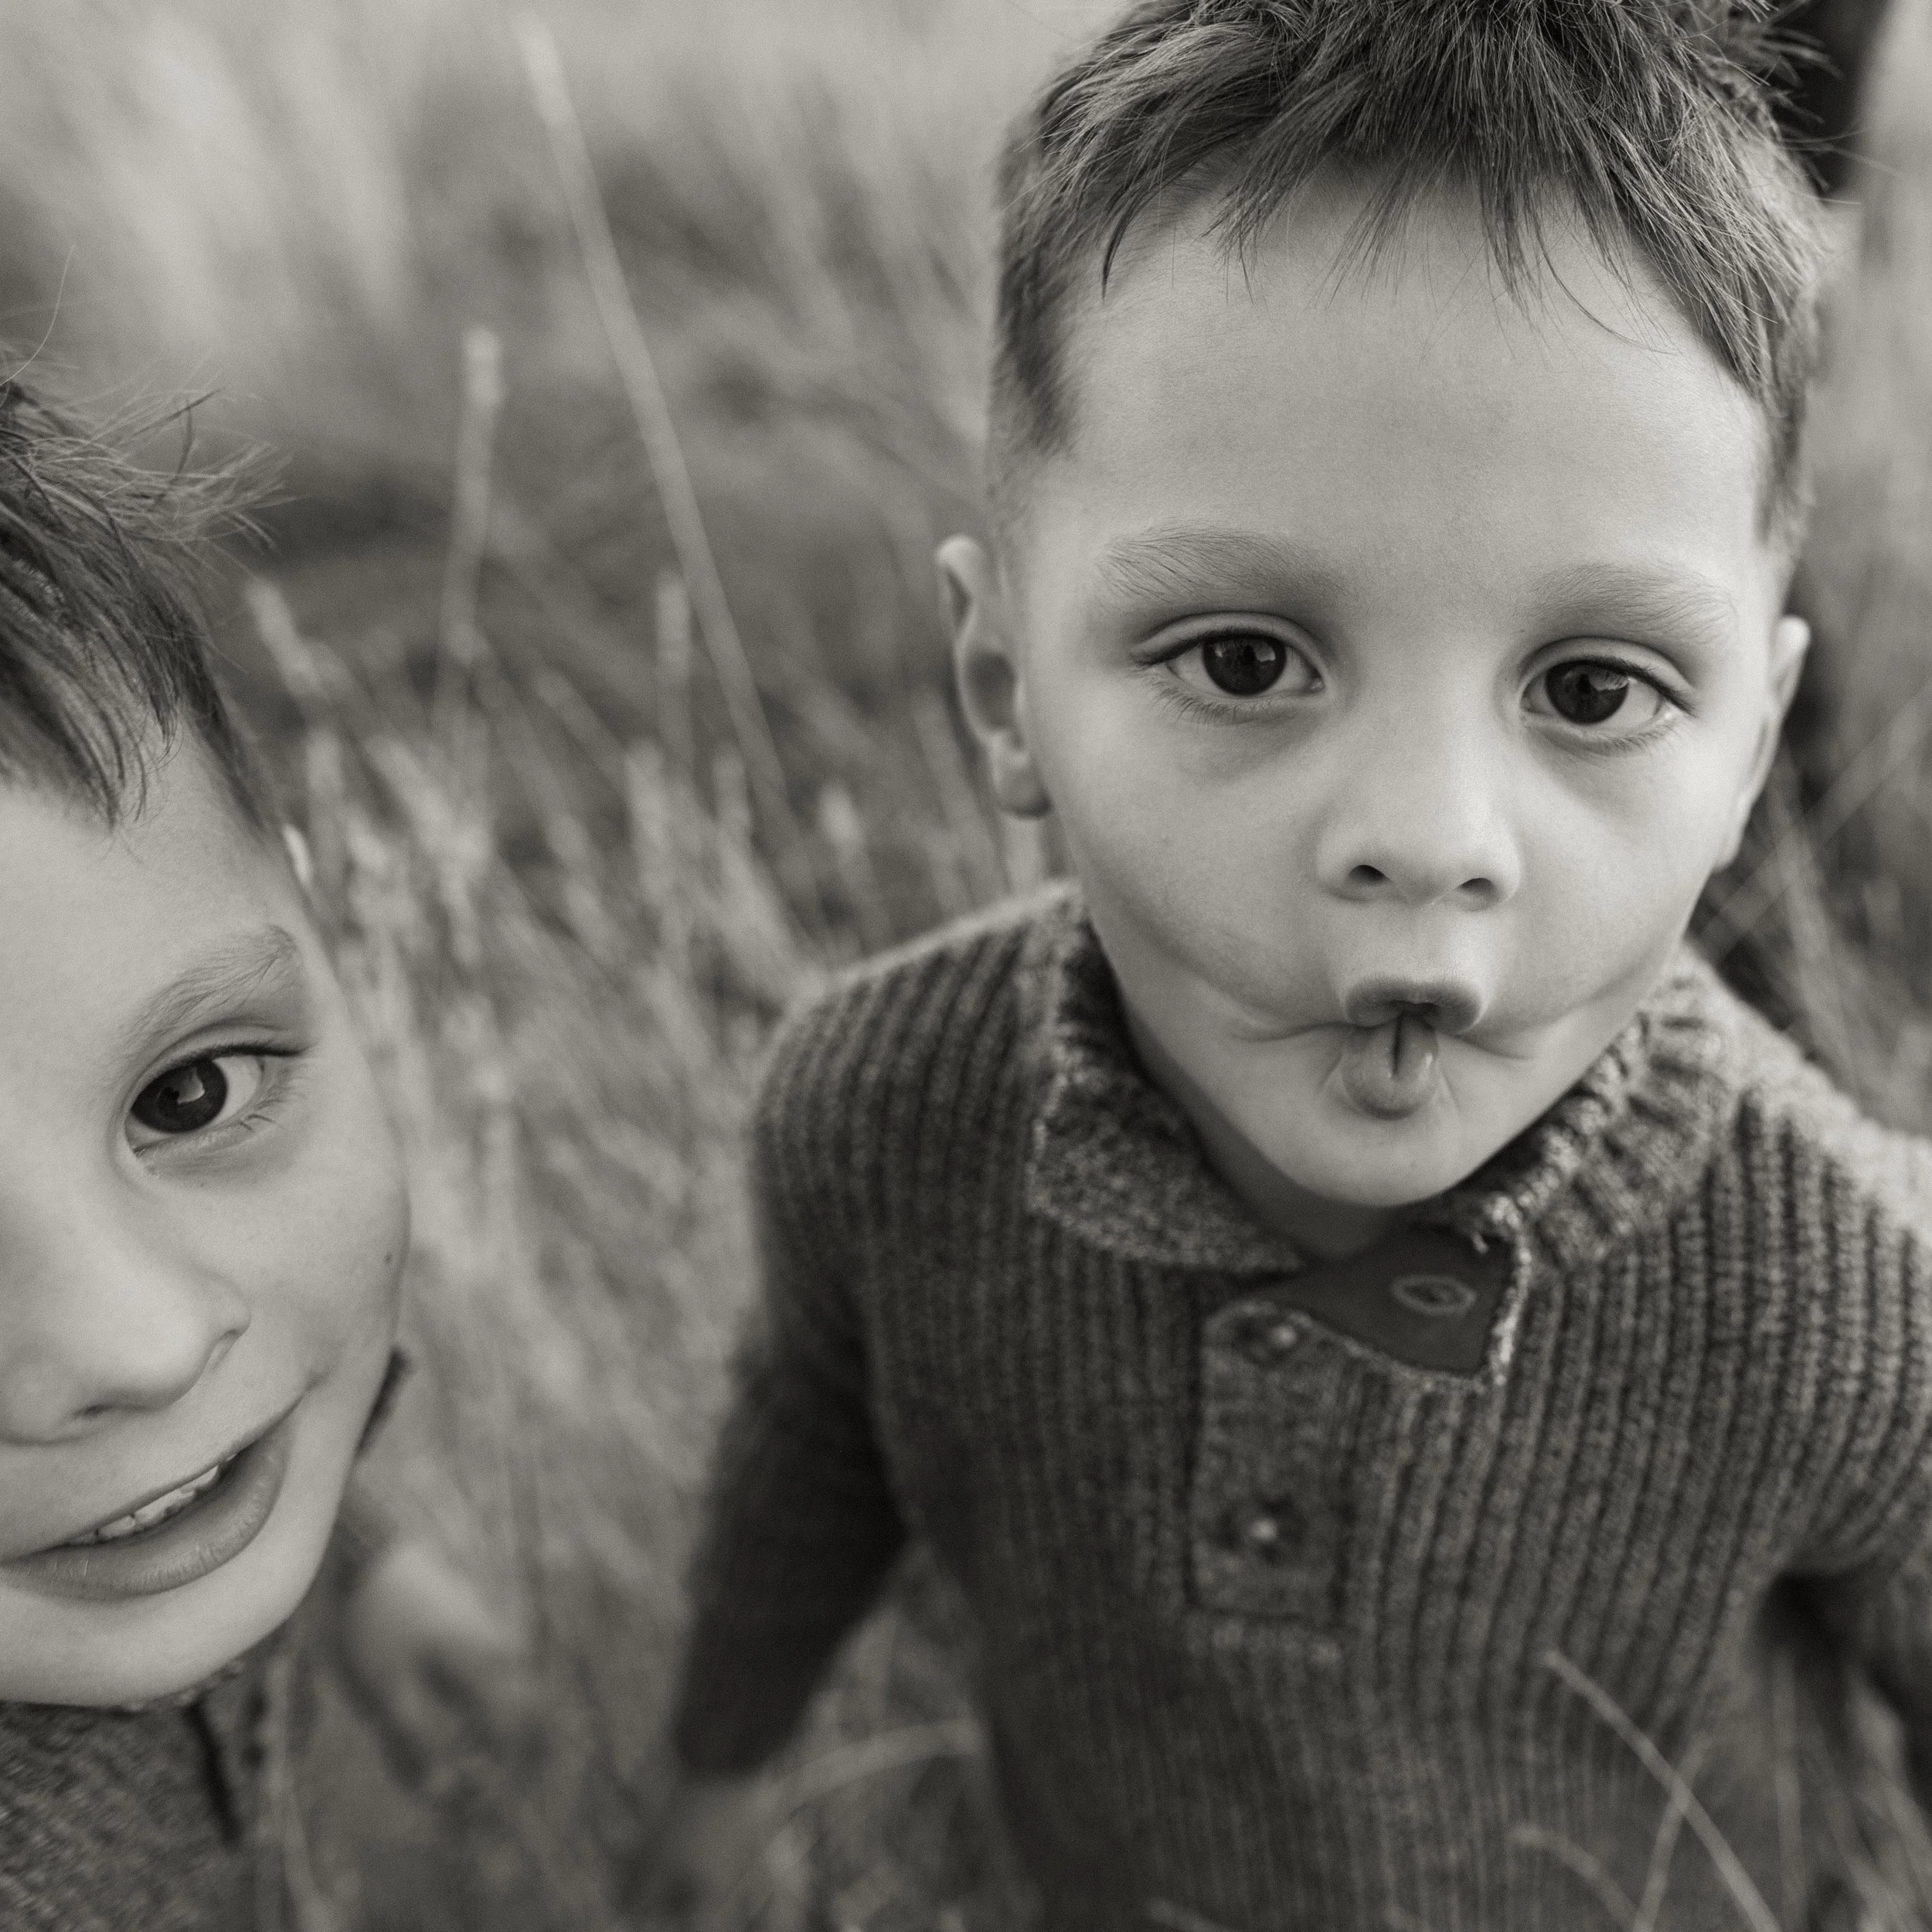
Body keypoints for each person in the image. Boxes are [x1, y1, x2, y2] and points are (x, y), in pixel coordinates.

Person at [654, 1, 1929, 1927]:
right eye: (1243, 660)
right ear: (1002, 689)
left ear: (1749, 746)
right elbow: (805, 1467)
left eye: (1590, 687)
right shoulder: (879, 1121)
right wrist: (716, 1767)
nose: (1425, 834)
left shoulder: (1844, 1293)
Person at [0, 384, 532, 1930]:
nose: (146, 1347)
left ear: (314, 917)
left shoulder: (130, 1473)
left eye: (187, 1095)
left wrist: (362, 1563)